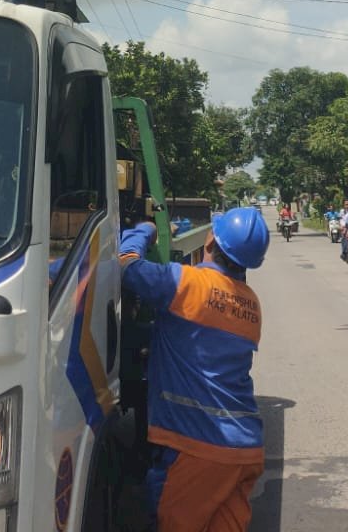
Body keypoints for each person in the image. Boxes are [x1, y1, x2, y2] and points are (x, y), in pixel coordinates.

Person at [119, 207, 269, 532]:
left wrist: (145, 229)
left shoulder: (186, 283)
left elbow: (126, 265)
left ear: (211, 238)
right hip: (245, 450)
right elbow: (199, 341)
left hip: (197, 449)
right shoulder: (251, 305)